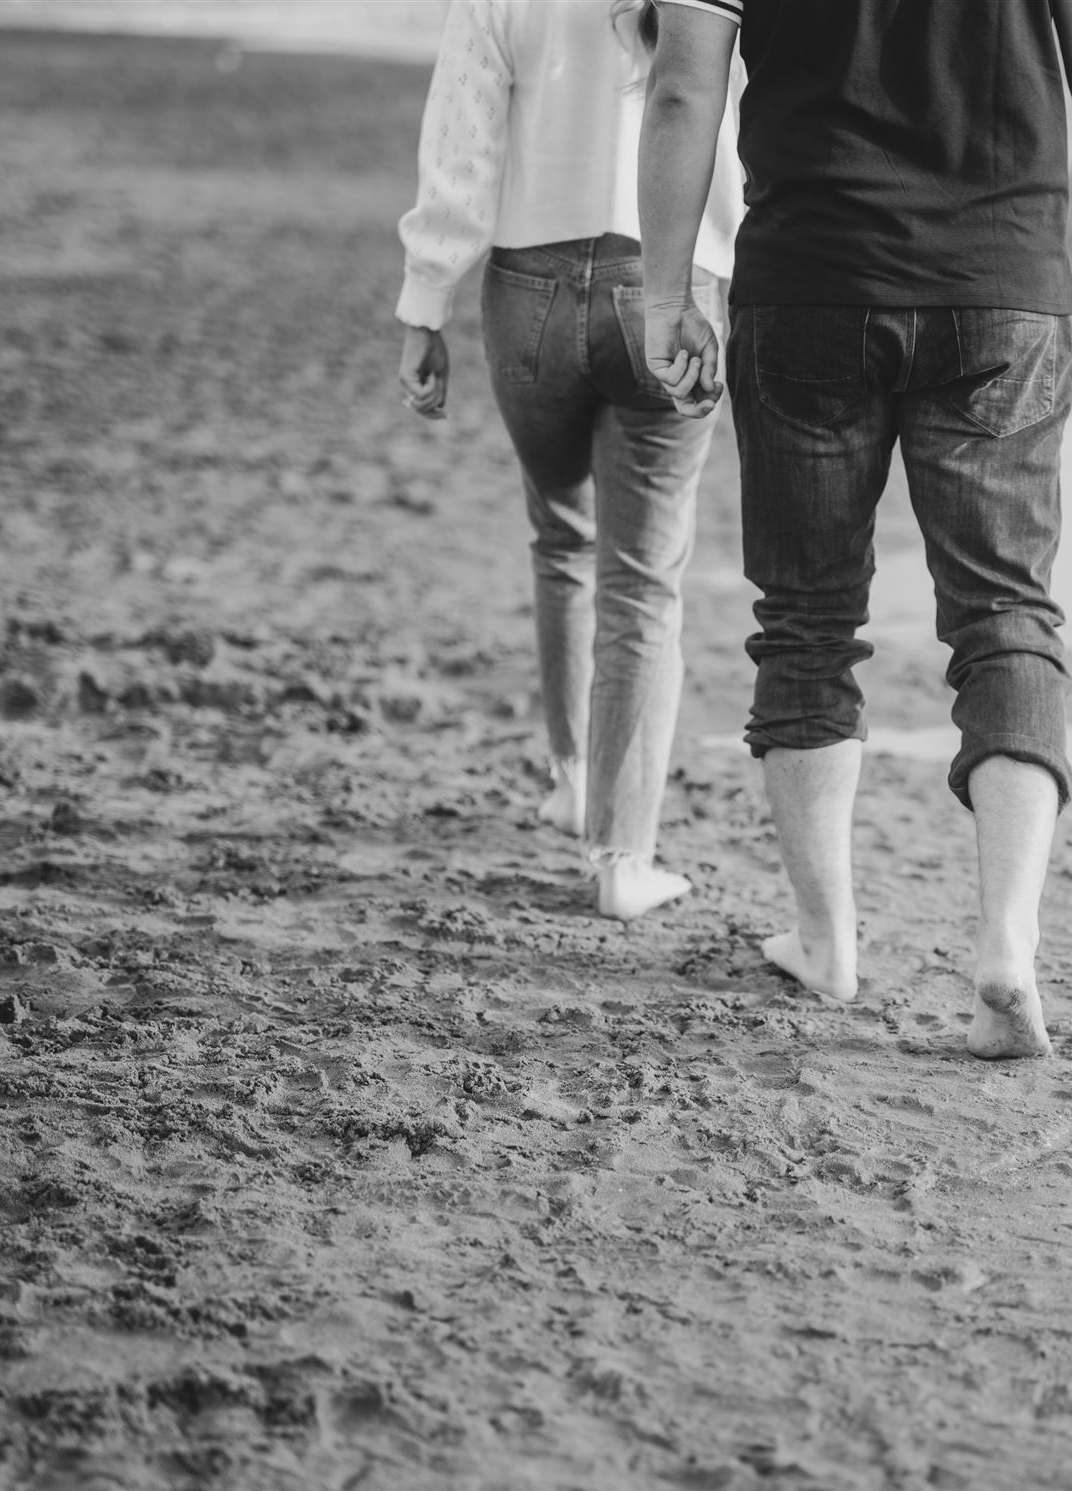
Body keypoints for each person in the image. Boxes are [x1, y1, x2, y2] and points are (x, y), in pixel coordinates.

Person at [637, 0, 1072, 1054]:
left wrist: (664, 295)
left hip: (808, 290)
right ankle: (1006, 948)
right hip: (999, 289)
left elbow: (683, 89)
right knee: (1005, 616)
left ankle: (826, 943)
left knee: (806, 619)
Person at [396, 0, 745, 920]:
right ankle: (622, 857)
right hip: (670, 284)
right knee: (642, 582)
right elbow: (738, 126)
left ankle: (570, 776)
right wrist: (737, 268)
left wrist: (424, 298)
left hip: (527, 288)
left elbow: (463, 135)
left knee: (560, 535)